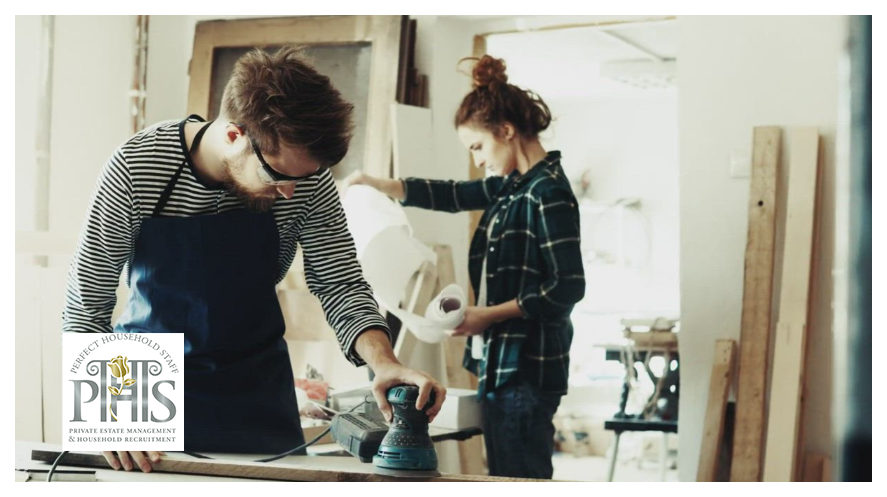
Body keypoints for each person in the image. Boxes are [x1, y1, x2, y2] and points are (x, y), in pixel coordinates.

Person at [62, 46, 446, 473]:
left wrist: (385, 363)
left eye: (302, 179)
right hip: (146, 388)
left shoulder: (304, 176)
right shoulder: (138, 166)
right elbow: (86, 305)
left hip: (256, 391)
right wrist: (110, 417)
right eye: (277, 176)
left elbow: (340, 282)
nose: (290, 193)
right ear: (234, 135)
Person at [344, 55, 585, 479]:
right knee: (507, 476)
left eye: (477, 147)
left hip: (528, 369)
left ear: (506, 131)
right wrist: (378, 184)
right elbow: (452, 194)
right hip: (503, 366)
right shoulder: (513, 188)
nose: (477, 160)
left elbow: (567, 286)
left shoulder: (547, 192)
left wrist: (486, 316)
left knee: (519, 480)